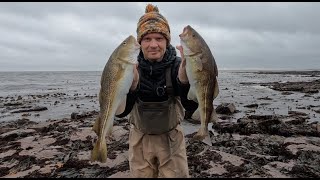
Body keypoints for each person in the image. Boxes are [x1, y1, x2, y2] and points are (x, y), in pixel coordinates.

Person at [116, 3, 198, 178]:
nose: (153, 45)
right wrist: (132, 86)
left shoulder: (177, 65)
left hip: (172, 140)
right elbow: (121, 113)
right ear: (139, 43)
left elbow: (191, 106)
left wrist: (184, 81)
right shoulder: (130, 67)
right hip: (139, 140)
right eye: (147, 39)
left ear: (167, 41)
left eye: (159, 39)